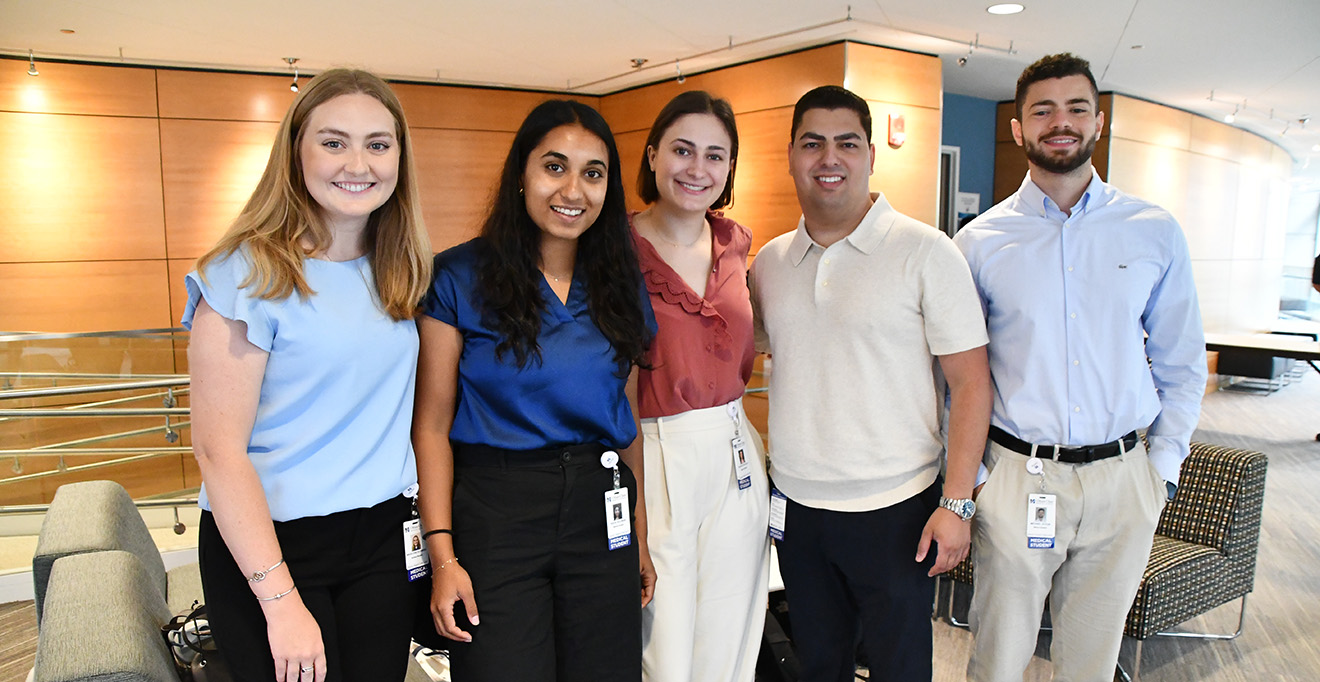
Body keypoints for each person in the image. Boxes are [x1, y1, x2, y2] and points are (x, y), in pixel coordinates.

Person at [953, 53, 1207, 682]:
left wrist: (1161, 471)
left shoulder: (1152, 231)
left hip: (1125, 479)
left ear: (1099, 122)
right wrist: (979, 478)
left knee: (1091, 662)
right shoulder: (978, 243)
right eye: (1042, 110)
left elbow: (1181, 359)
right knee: (997, 657)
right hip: (1017, 476)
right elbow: (951, 379)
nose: (1059, 122)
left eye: (1075, 108)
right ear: (1018, 128)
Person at [183, 68, 432, 682]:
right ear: (295, 153)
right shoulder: (242, 276)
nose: (359, 162)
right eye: (333, 141)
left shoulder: (402, 270)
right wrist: (280, 601)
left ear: (399, 156)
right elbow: (219, 453)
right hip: (273, 544)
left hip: (381, 535)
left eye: (379, 143)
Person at [749, 85, 992, 682]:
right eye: (812, 143)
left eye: (846, 143)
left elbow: (972, 385)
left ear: (870, 156)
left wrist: (956, 503)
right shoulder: (771, 263)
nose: (829, 158)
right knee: (818, 664)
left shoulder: (926, 251)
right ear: (790, 156)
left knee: (899, 667)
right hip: (799, 508)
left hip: (896, 509)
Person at [412, 99, 656, 682]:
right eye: (554, 167)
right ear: (521, 174)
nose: (574, 189)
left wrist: (640, 542)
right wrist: (441, 554)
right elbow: (430, 428)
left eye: (593, 174)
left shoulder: (621, 284)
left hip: (601, 511)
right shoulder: (458, 277)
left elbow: (627, 421)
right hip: (497, 510)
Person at [629, 90, 769, 682]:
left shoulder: (736, 242)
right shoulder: (612, 247)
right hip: (655, 451)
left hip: (736, 448)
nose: (697, 168)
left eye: (715, 155)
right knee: (663, 641)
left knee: (730, 634)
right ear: (654, 154)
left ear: (730, 167)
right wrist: (633, 512)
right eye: (683, 150)